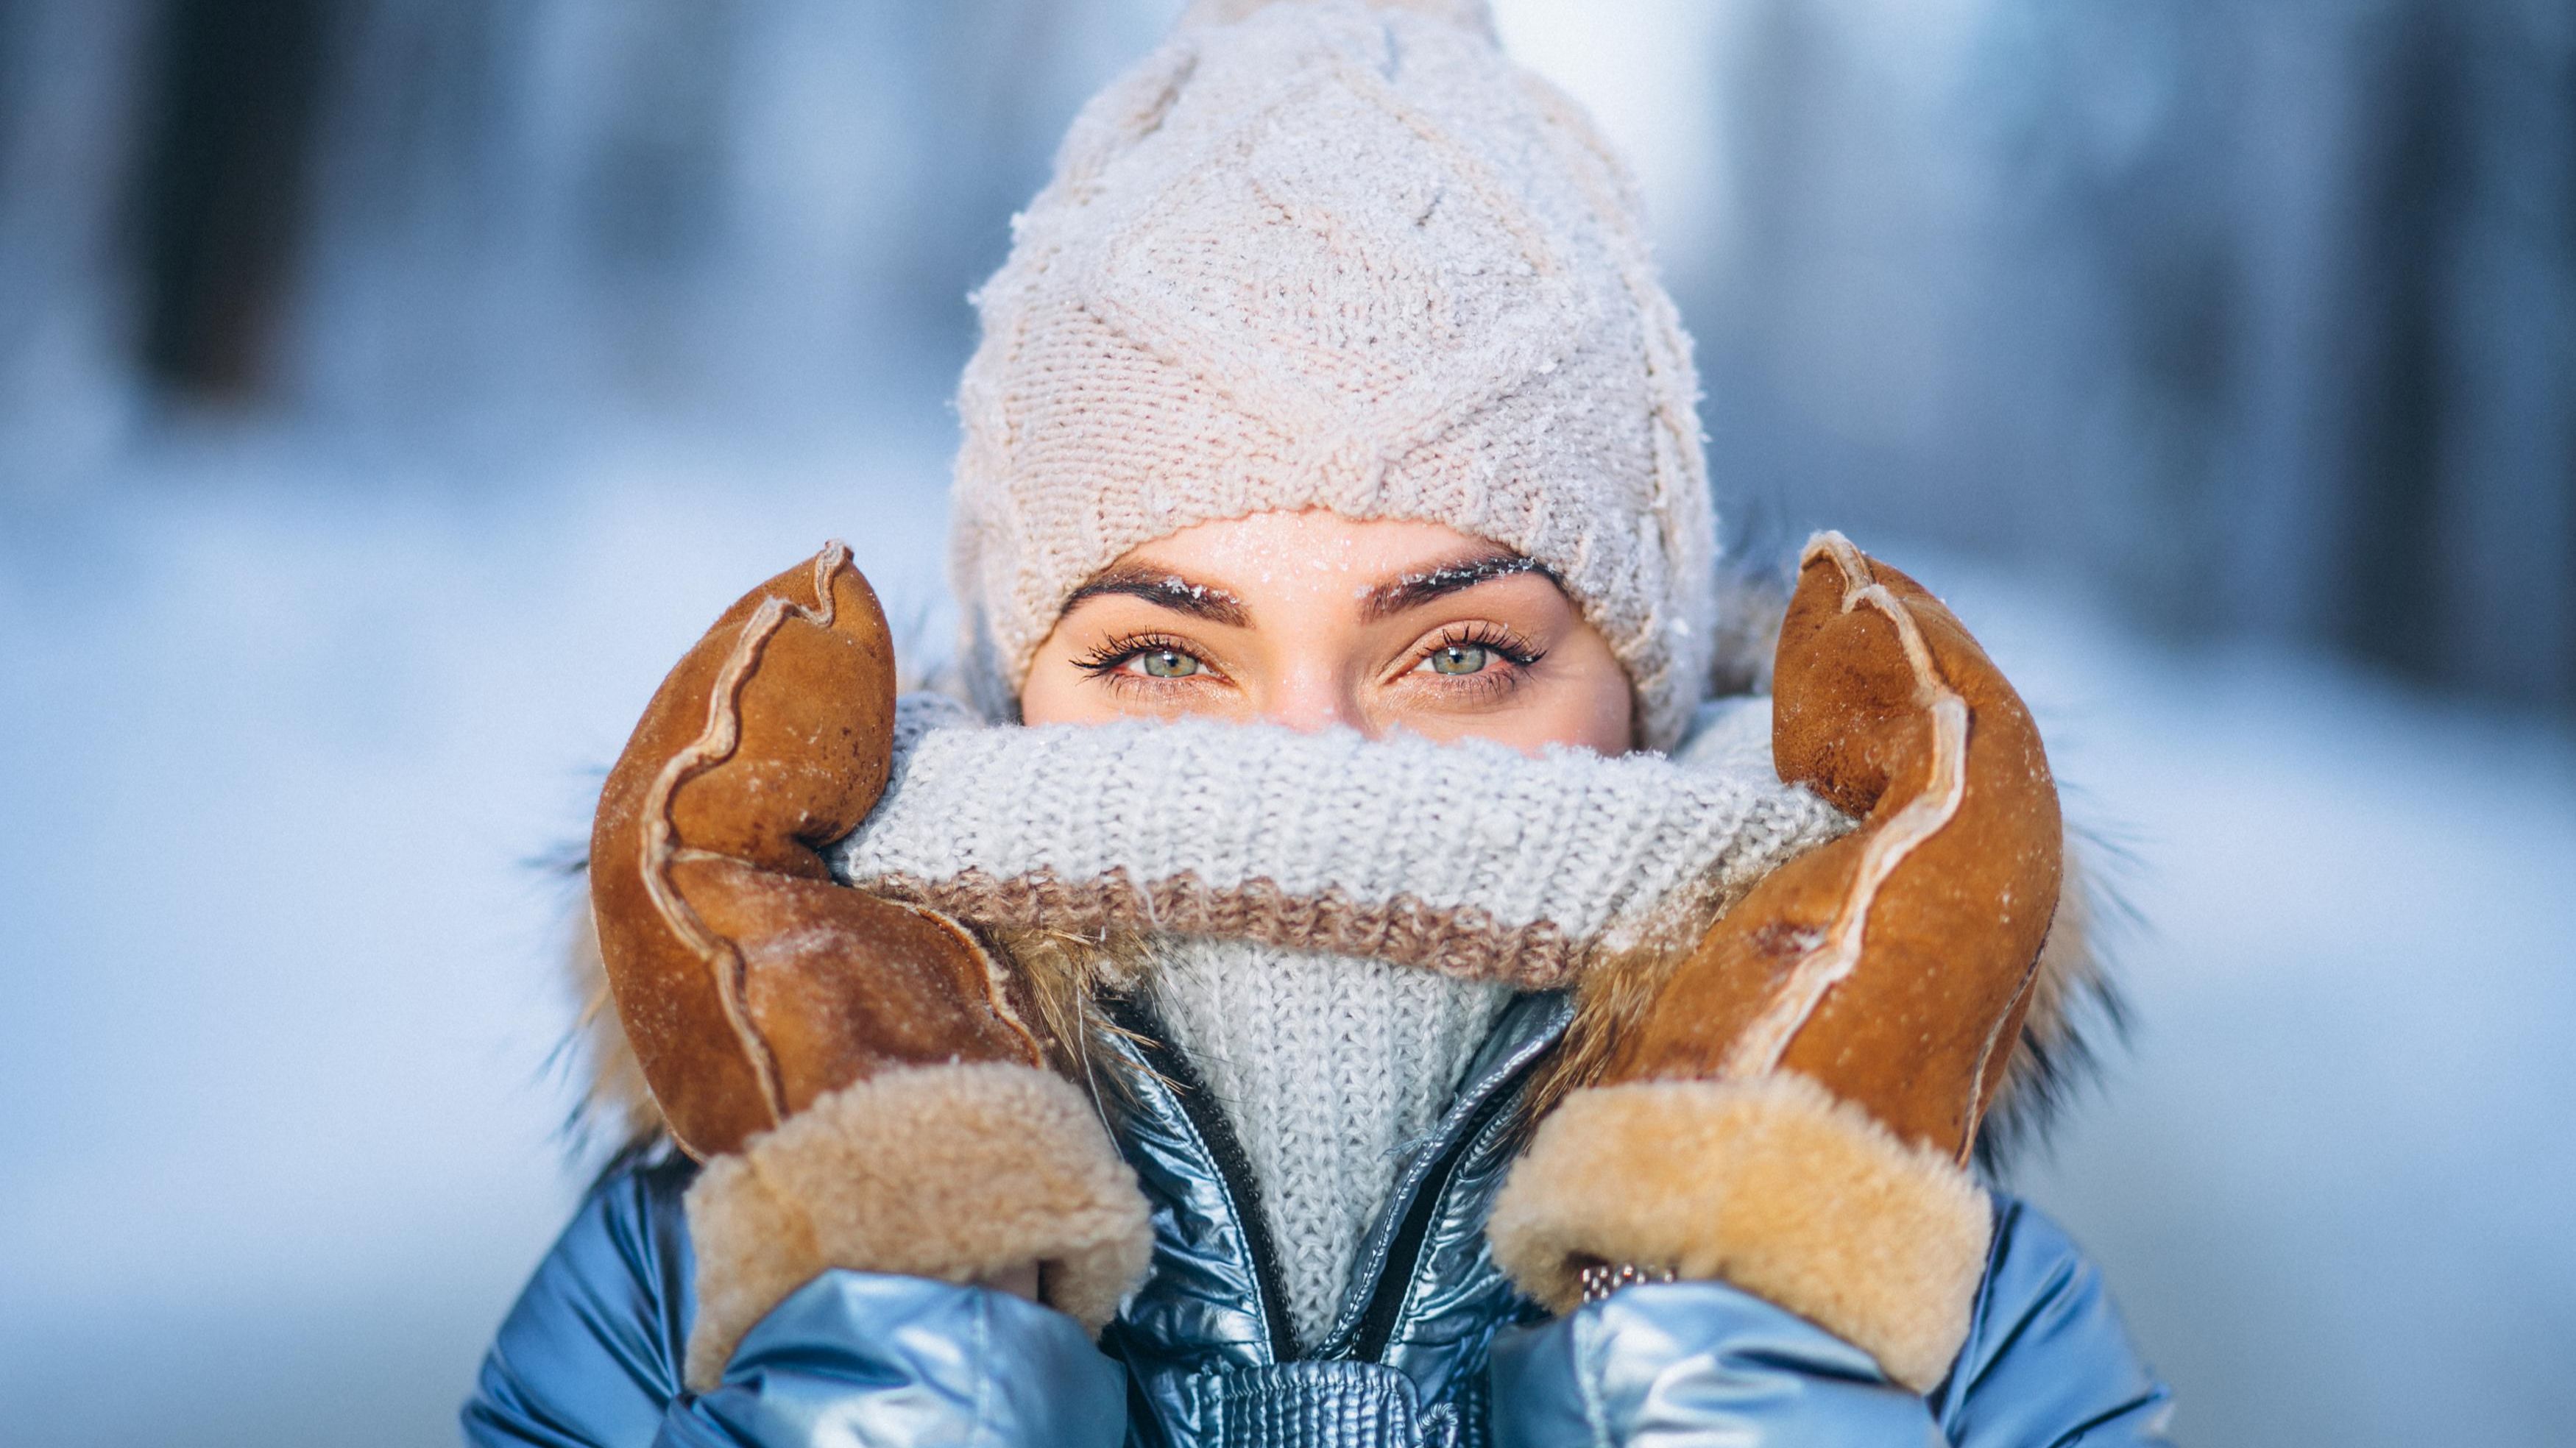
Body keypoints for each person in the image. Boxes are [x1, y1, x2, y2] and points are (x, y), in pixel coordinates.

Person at [464, 2, 2173, 1444]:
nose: (1299, 770)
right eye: (1158, 658)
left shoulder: (1943, 1320)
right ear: (1007, 687)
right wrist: (894, 1316)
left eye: (1459, 655)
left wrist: (1740, 1321)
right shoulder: (693, 1287)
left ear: (1646, 696)